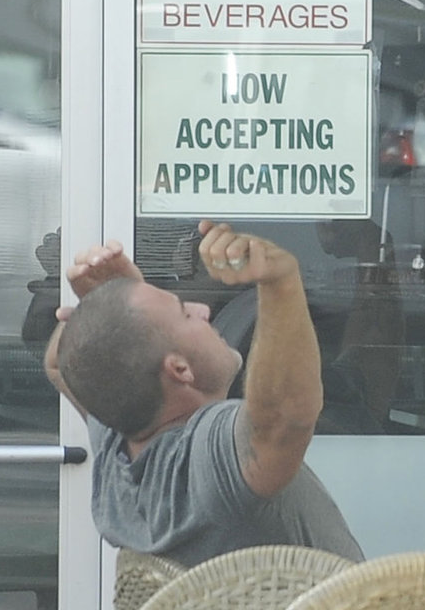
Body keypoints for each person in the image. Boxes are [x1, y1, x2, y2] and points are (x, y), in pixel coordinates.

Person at [43, 221, 363, 566]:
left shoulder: (119, 455)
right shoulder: (203, 460)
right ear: (180, 370)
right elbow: (283, 416)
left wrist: (110, 304)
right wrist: (279, 282)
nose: (204, 310)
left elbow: (60, 366)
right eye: (185, 314)